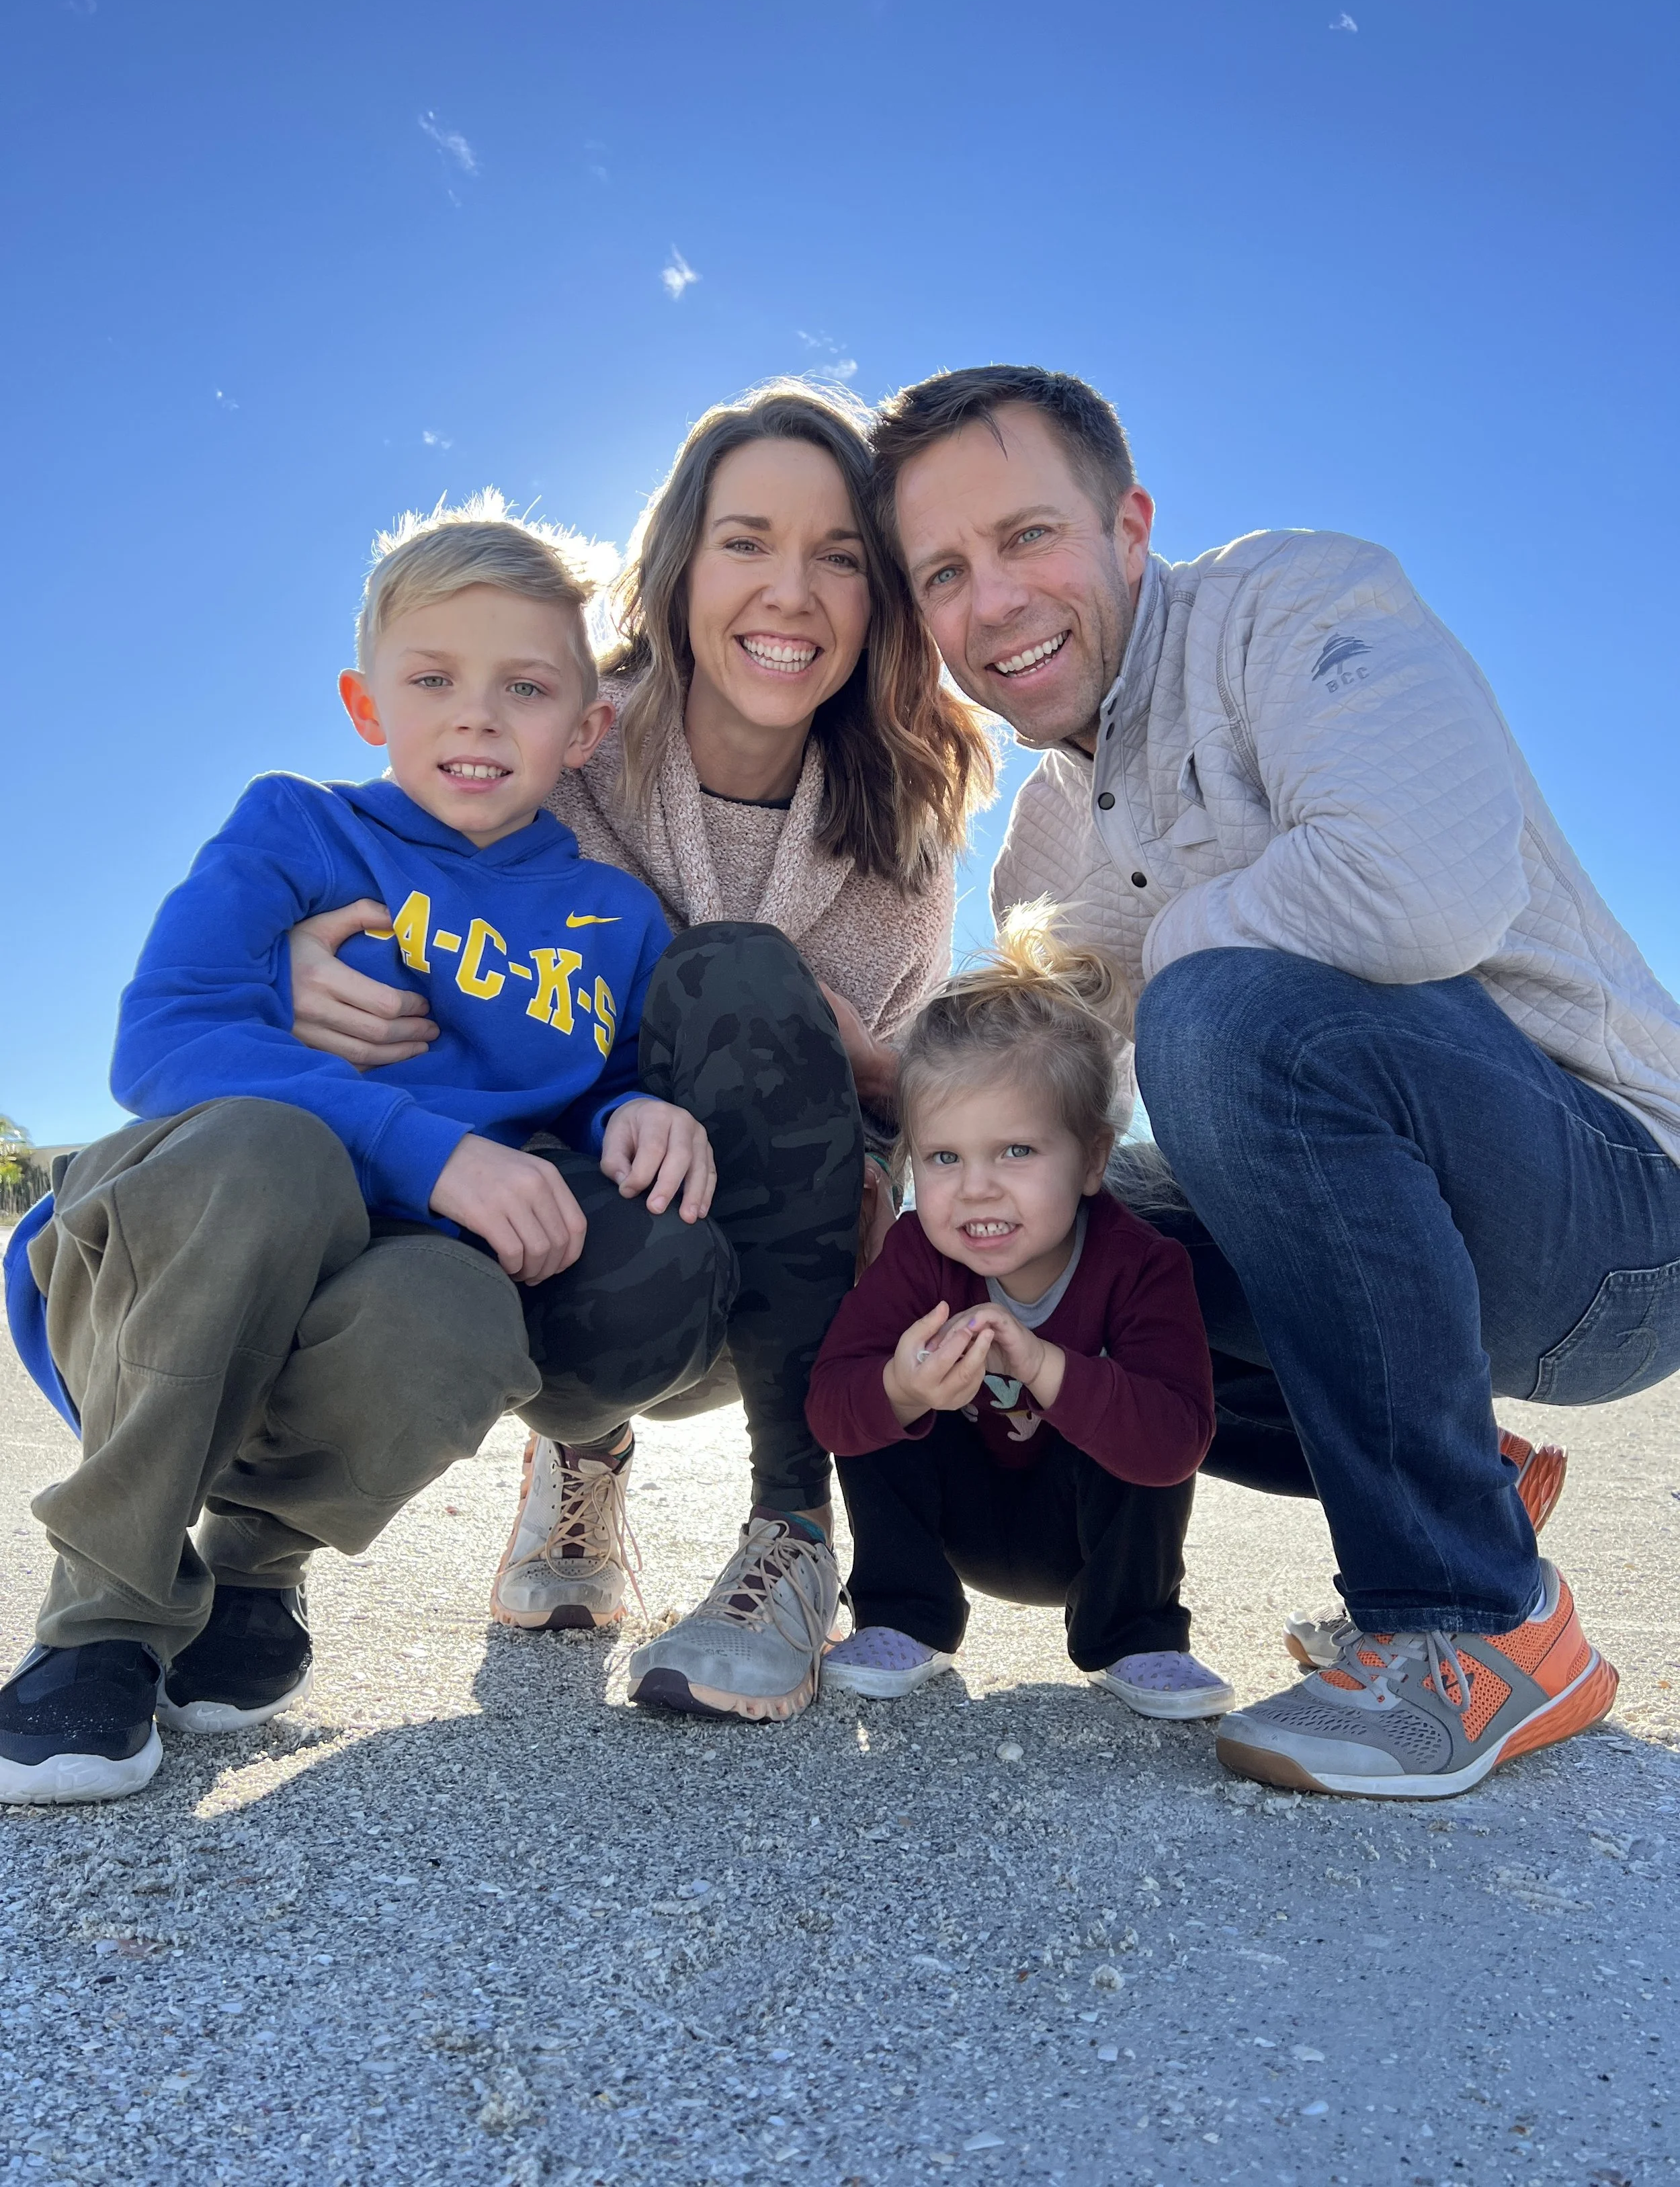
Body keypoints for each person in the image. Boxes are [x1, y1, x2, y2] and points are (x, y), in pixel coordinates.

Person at [866, 362, 1680, 1799]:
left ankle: (1472, 1615)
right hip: (1419, 1254)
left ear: (1127, 526)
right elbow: (1054, 1119)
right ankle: (1460, 1467)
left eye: (1026, 536)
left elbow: (1415, 890)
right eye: (942, 570)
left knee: (1227, 1011)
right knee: (1005, 1217)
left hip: (1615, 1221)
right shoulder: (1044, 836)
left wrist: (1158, 951)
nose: (990, 602)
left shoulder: (1295, 605)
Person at [286, 388, 995, 1725]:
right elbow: (388, 858)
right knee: (698, 985)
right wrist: (306, 953)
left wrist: (854, 1059)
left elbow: (898, 1132)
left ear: (878, 594)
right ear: (676, 566)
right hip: (581, 1255)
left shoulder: (895, 838)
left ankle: (789, 1532)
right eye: (745, 541)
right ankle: (578, 1454)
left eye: (838, 554)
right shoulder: (566, 737)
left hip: (792, 1269)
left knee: (738, 969)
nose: (790, 591)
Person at [0, 501, 719, 1804]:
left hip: (365, 1285)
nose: (477, 716)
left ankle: (255, 1566)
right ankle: (100, 1622)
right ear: (364, 699)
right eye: (433, 678)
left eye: (527, 686)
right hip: (157, 1255)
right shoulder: (297, 824)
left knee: (458, 1305)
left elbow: (603, 1076)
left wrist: (635, 1110)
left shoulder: (613, 914)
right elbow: (162, 1036)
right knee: (278, 1153)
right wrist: (428, 1148)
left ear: (587, 726)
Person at [808, 910, 1230, 1717]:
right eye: (944, 1158)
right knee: (877, 1386)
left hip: (1081, 1526)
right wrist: (902, 1387)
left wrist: (1047, 1368)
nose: (976, 1188)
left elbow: (1181, 1441)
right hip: (960, 1519)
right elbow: (829, 1409)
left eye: (1016, 1152)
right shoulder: (916, 1257)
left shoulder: (1143, 1266)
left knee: (1138, 1408)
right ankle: (903, 1614)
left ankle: (1137, 1632)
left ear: (1092, 1160)